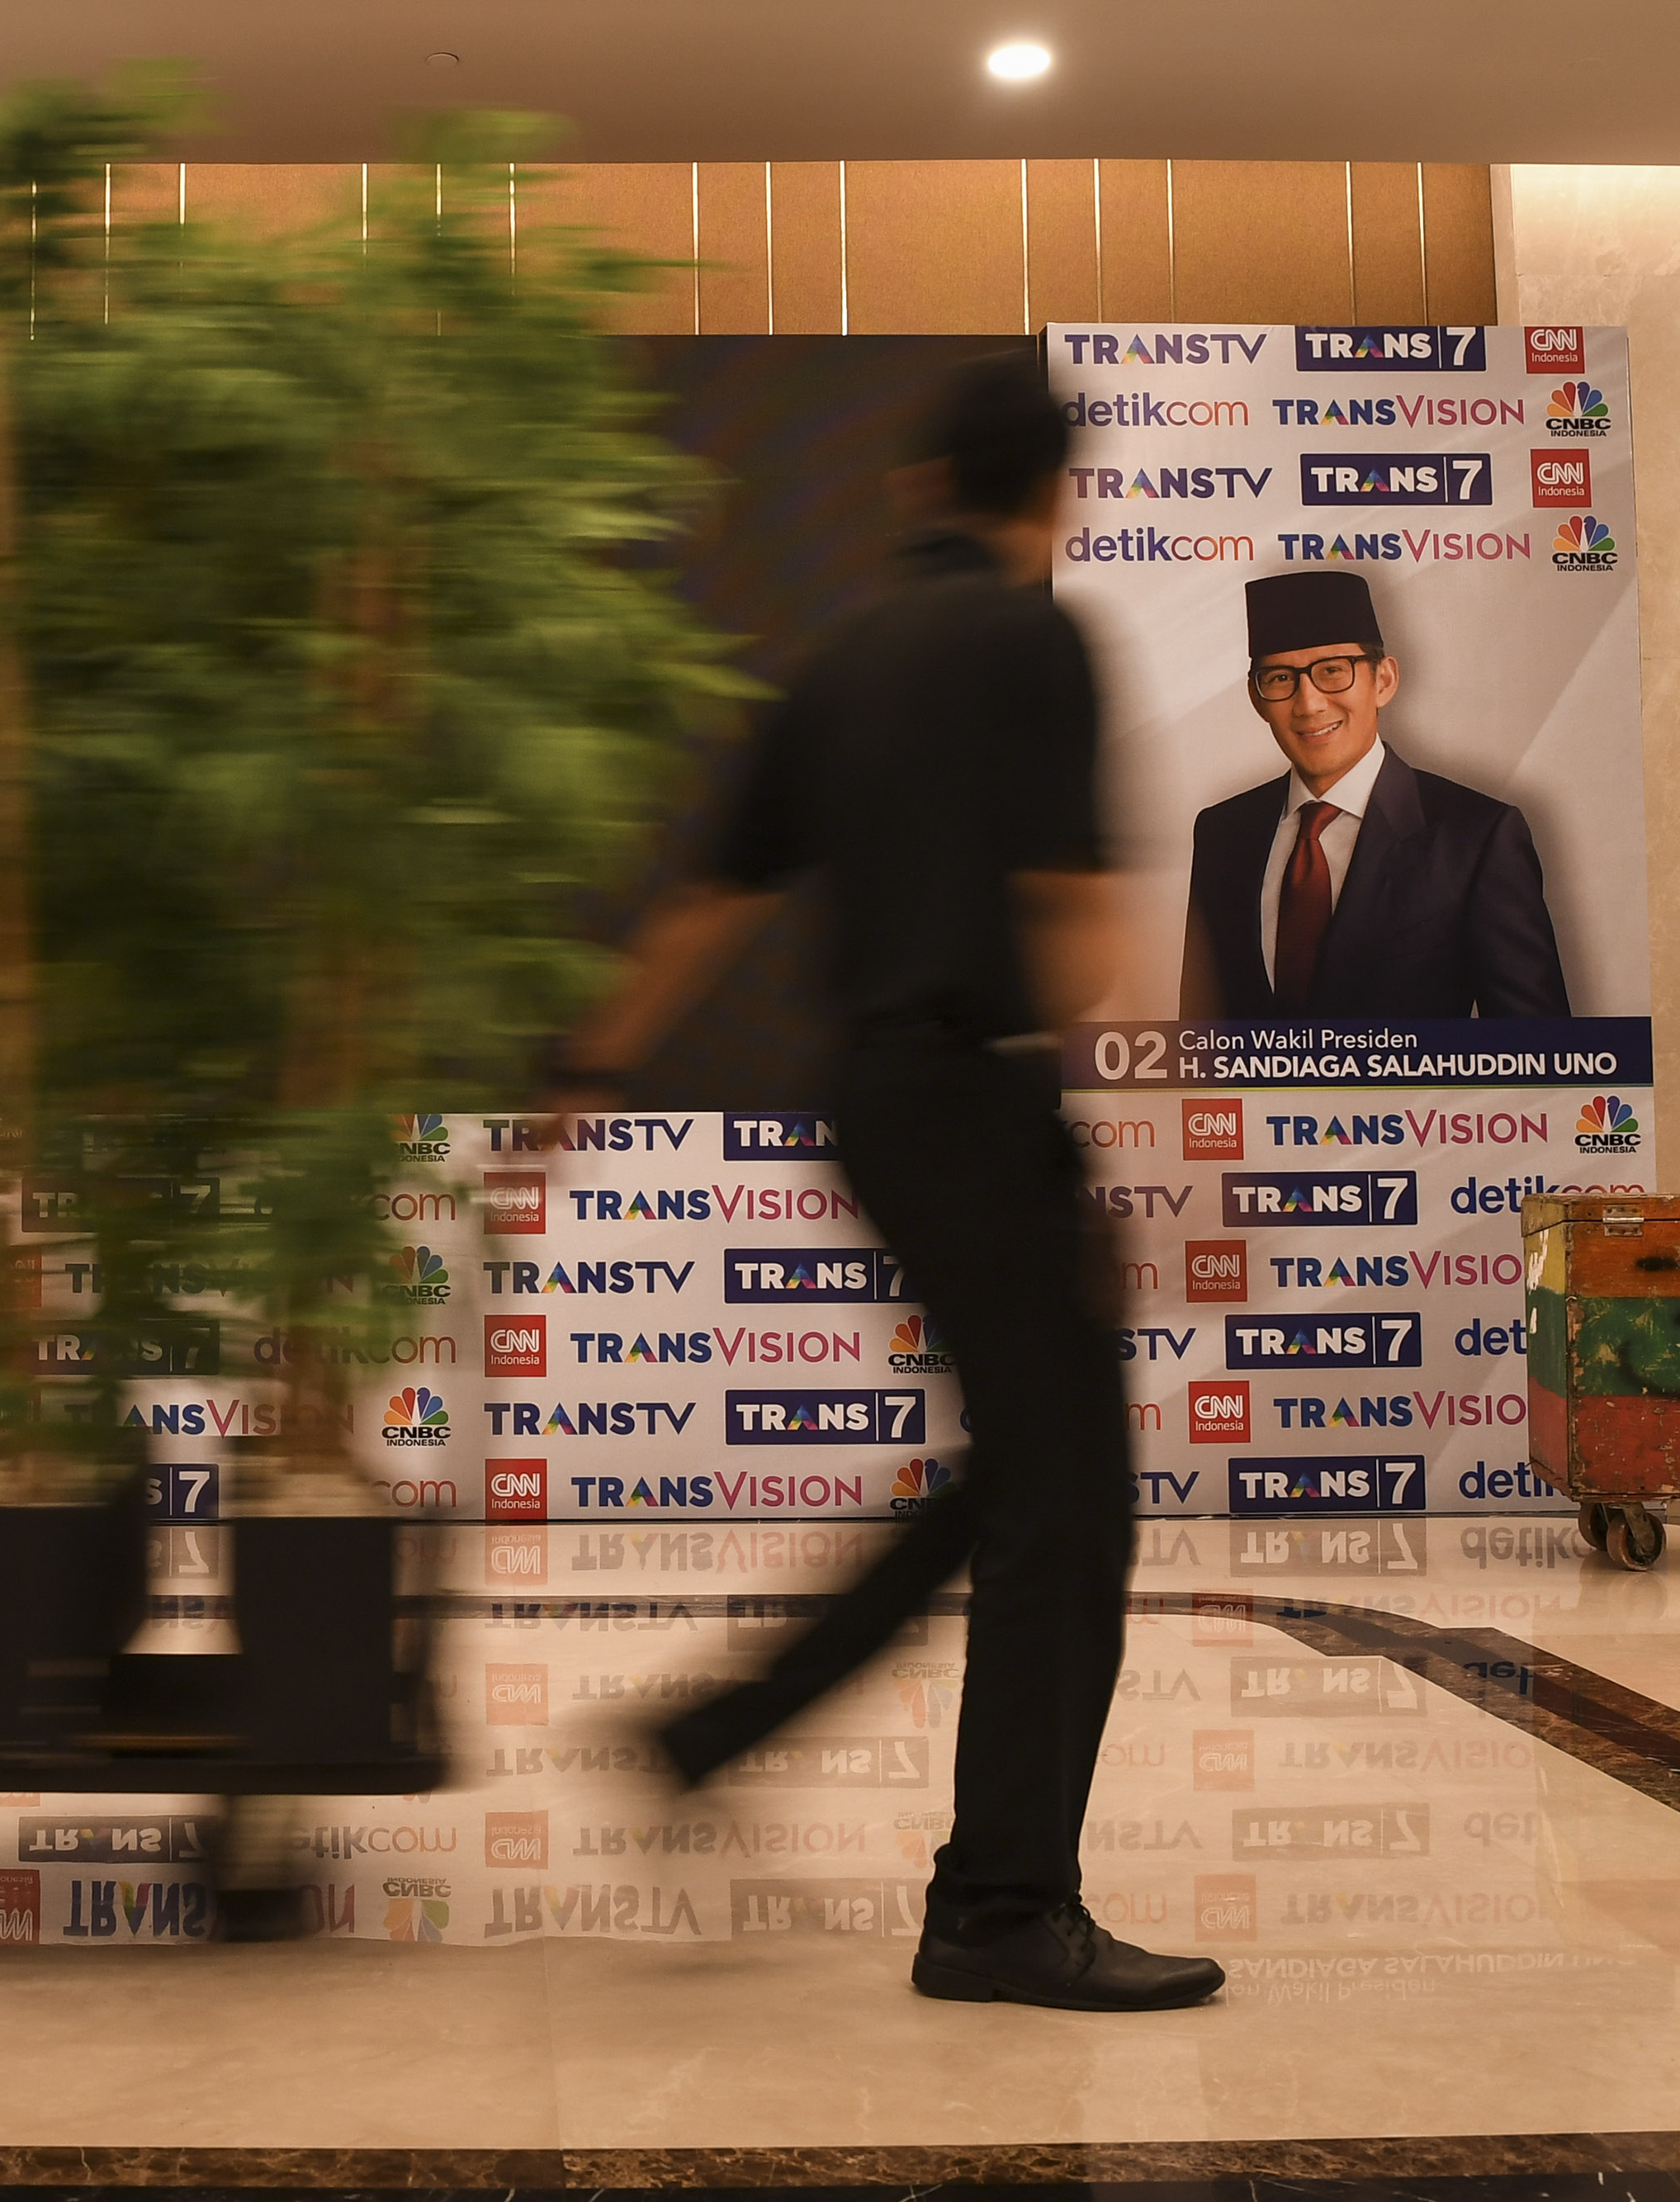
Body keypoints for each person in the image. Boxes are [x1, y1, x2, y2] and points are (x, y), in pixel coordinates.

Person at [547, 350, 1220, 2014]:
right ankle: (1001, 1907)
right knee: (1070, 1502)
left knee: (1026, 1469)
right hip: (977, 1093)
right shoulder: (1035, 637)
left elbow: (708, 895)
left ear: (922, 485)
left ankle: (724, 1725)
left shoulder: (839, 653)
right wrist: (1143, 1140)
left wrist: (587, 1069)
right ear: (1057, 494)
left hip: (867, 1095)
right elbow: (1070, 923)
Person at [1180, 569, 1569, 1019]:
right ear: (1256, 697)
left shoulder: (1476, 836)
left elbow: (1539, 1047)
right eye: (1281, 678)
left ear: (1383, 680)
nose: (1309, 704)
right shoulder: (1223, 832)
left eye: (1332, 671)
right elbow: (1198, 1032)